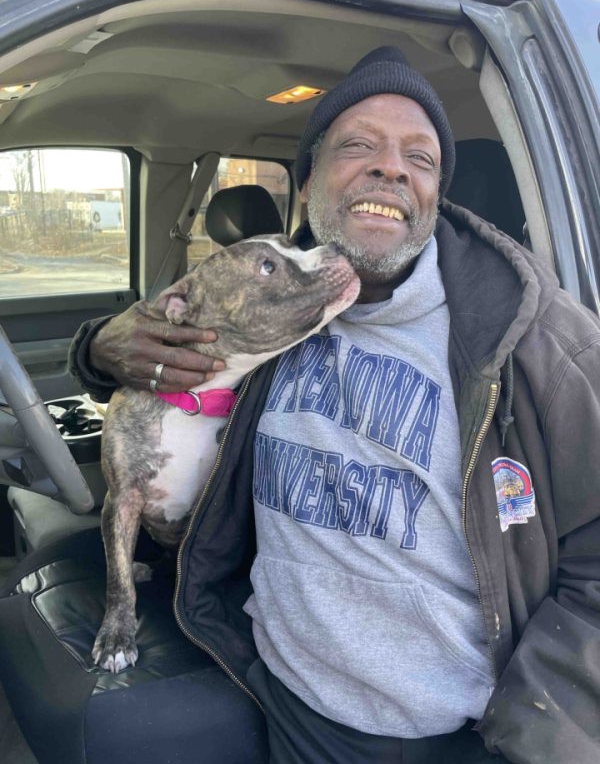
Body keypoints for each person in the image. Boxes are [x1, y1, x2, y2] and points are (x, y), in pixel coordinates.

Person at [69, 47, 600, 764]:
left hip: (459, 735)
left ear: (437, 193)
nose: (392, 167)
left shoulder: (541, 345)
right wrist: (98, 346)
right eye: (359, 145)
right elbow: (161, 353)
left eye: (421, 157)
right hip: (276, 690)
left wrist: (539, 736)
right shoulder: (274, 302)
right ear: (311, 179)